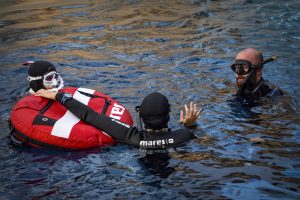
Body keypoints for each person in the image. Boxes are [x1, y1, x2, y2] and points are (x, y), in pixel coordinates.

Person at [35, 89, 202, 149]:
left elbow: (90, 115)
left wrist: (59, 96)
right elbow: (204, 141)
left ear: (141, 117)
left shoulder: (130, 136)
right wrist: (191, 126)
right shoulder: (184, 136)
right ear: (168, 115)